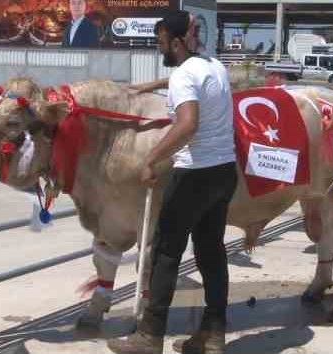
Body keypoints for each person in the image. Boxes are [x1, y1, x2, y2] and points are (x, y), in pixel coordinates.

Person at [107, 10, 237, 354]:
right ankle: (213, 335)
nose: (159, 47)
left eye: (162, 41)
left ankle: (149, 337)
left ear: (178, 43)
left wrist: (151, 159)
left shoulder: (183, 76)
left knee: (165, 252)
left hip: (194, 174)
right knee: (212, 253)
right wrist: (152, 85)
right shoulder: (214, 66)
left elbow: (188, 123)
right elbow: (193, 85)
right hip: (224, 172)